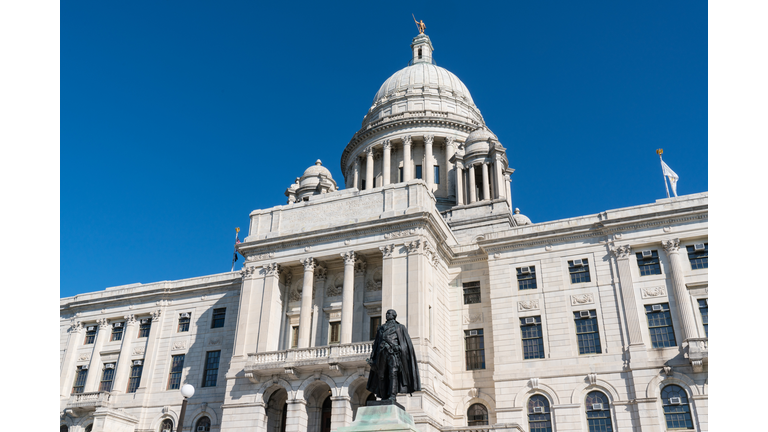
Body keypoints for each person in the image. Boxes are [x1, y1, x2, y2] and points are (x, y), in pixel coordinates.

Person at [366, 309, 421, 401]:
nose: (387, 315)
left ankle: (392, 395)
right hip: (381, 354)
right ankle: (383, 396)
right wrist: (372, 357)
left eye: (389, 313)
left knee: (393, 374)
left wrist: (399, 348)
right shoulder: (381, 328)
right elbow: (376, 344)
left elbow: (406, 344)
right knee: (381, 375)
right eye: (386, 313)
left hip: (393, 354)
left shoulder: (400, 327)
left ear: (394, 315)